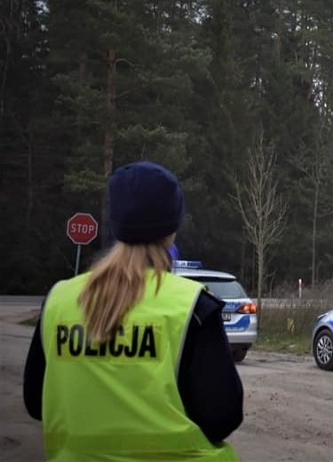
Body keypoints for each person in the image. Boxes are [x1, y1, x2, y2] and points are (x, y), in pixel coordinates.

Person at [23, 161, 243, 461]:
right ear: (172, 229)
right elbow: (223, 416)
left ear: (115, 222)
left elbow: (36, 402)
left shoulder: (59, 301)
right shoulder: (192, 306)